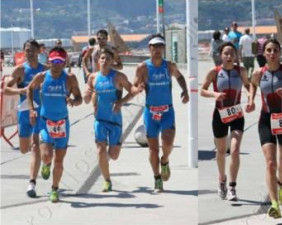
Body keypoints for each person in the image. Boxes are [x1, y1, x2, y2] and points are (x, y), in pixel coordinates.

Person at [247, 38, 282, 218]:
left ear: (280, 53)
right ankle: (274, 204)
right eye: (269, 50)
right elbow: (252, 85)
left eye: (275, 50)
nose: (272, 54)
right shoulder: (258, 73)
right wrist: (250, 100)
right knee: (271, 163)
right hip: (266, 120)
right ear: (264, 53)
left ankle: (281, 184)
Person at [133, 34, 189, 192]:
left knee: (168, 143)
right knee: (153, 149)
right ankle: (157, 179)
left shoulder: (169, 66)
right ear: (149, 48)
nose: (157, 50)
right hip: (150, 113)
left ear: (164, 49)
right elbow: (134, 85)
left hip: (167, 111)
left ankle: (165, 161)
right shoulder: (143, 67)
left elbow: (180, 77)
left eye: (160, 47)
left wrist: (185, 91)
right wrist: (139, 87)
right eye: (154, 47)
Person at [27, 46, 82, 203]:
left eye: (60, 61)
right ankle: (45, 164)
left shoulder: (70, 78)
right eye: (53, 61)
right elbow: (29, 89)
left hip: (63, 124)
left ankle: (54, 189)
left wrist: (73, 101)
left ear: (64, 62)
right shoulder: (42, 77)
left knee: (59, 161)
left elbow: (79, 99)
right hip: (45, 122)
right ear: (49, 62)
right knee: (46, 155)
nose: (57, 64)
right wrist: (31, 109)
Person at [83, 47, 143, 192]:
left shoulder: (118, 77)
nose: (104, 61)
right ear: (98, 61)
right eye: (102, 58)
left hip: (115, 120)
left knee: (113, 155)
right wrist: (87, 94)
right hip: (100, 120)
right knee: (100, 151)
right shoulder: (93, 77)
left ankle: (108, 164)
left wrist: (121, 101)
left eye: (108, 59)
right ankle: (107, 180)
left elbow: (133, 90)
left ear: (111, 62)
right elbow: (85, 100)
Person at [201, 42, 250, 201]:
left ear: (236, 56)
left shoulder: (241, 71)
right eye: (225, 54)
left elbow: (249, 86)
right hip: (219, 115)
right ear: (220, 55)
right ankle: (222, 179)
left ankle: (232, 187)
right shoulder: (214, 72)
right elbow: (202, 90)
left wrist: (250, 98)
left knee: (235, 150)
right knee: (221, 151)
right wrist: (214, 95)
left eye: (231, 54)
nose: (229, 57)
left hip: (236, 114)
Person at [3, 39, 46, 198]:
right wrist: (20, 91)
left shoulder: (44, 70)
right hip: (24, 112)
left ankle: (32, 183)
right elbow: (6, 89)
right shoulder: (20, 70)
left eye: (33, 50)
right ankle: (41, 161)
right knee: (24, 149)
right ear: (24, 51)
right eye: (27, 50)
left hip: (40, 112)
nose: (30, 53)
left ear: (38, 52)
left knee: (36, 147)